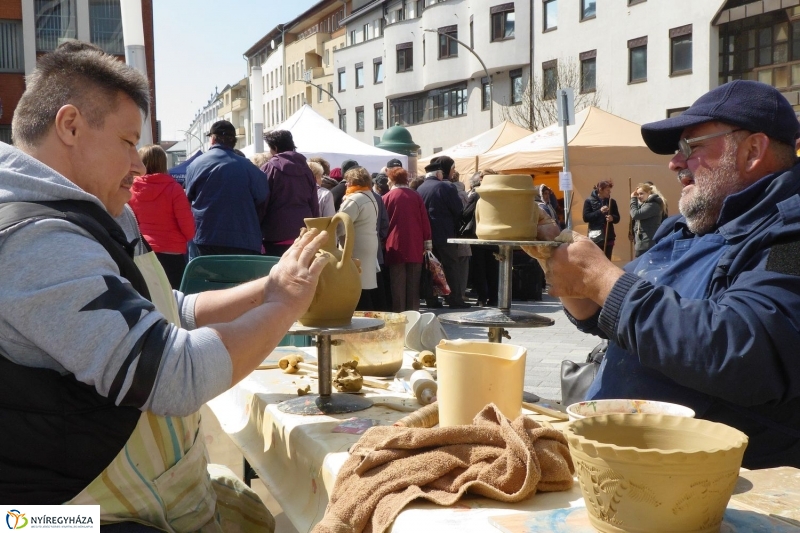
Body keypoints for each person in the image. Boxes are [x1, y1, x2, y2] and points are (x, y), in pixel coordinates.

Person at [1, 41, 328, 527]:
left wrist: (266, 287)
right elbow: (174, 376)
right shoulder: (36, 239)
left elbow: (166, 308)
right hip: (79, 516)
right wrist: (282, 306)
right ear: (69, 126)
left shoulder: (96, 212)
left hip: (159, 497)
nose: (138, 164)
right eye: (128, 142)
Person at [525, 80, 800, 469]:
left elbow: (743, 351)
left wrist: (603, 279)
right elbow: (614, 316)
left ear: (753, 150)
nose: (674, 163)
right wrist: (560, 261)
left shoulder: (789, 234)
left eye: (691, 147)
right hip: (624, 460)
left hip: (719, 488)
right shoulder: (684, 227)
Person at [185, 119, 268, 256]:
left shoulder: (196, 165)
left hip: (206, 238)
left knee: (207, 277)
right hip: (245, 239)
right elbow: (262, 196)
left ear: (212, 139)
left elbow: (188, 197)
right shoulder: (250, 168)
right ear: (233, 141)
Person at [128, 144, 196, 289]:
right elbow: (188, 228)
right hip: (172, 253)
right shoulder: (174, 188)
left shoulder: (132, 189)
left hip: (144, 251)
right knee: (173, 302)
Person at [417, 156, 471, 309]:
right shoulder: (446, 187)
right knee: (450, 266)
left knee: (431, 267)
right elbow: (458, 210)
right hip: (445, 235)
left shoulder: (420, 188)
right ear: (441, 173)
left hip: (427, 235)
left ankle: (431, 299)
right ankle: (454, 299)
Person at [260, 129, 319, 257]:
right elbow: (314, 203)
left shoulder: (270, 168)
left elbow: (262, 201)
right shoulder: (307, 170)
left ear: (274, 147)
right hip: (302, 233)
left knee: (276, 274)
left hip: (275, 233)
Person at [382, 167, 432, 312]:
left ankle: (399, 317)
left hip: (394, 245)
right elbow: (425, 221)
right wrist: (427, 243)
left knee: (397, 286)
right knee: (413, 286)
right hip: (415, 245)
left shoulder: (387, 197)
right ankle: (413, 317)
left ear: (391, 179)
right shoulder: (416, 196)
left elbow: (383, 224)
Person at [338, 166, 380, 311]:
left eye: (347, 181)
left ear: (353, 181)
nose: (345, 184)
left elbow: (341, 224)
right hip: (369, 242)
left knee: (356, 285)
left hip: (356, 244)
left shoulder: (355, 199)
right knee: (365, 284)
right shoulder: (370, 196)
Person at [583, 180, 620, 260]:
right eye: (607, 190)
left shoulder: (612, 202)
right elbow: (586, 217)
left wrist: (612, 218)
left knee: (607, 261)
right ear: (600, 189)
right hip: (595, 237)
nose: (609, 192)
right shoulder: (589, 201)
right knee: (596, 261)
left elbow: (617, 218)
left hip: (608, 236)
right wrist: (600, 211)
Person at [629, 182, 667, 257]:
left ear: (649, 193)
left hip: (648, 244)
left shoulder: (652, 205)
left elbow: (636, 214)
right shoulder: (645, 204)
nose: (639, 196)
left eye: (641, 193)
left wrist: (633, 199)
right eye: (638, 194)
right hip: (642, 243)